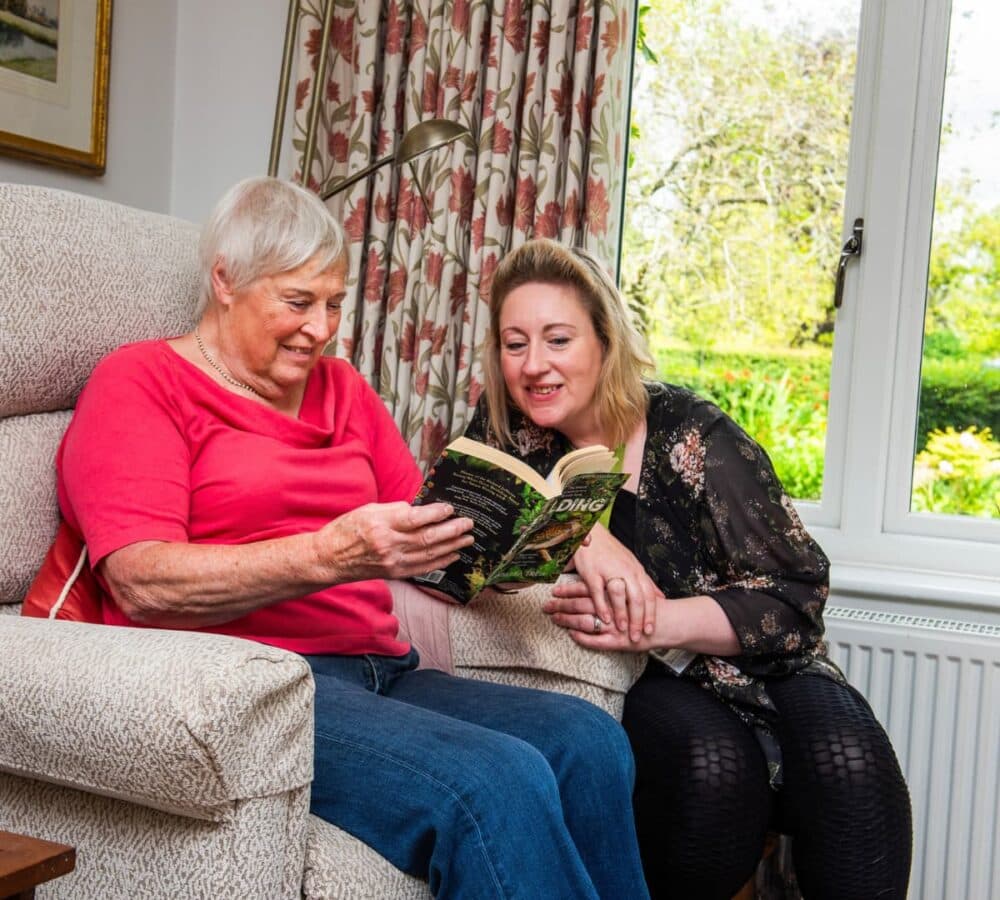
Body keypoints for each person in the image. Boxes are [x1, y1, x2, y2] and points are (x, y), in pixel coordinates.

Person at [55, 179, 650, 900]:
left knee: (590, 743)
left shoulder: (342, 388)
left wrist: (524, 547)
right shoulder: (142, 381)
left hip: (380, 667)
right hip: (258, 686)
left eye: (335, 303)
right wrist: (332, 554)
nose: (322, 328)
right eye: (298, 301)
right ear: (224, 281)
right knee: (495, 781)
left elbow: (422, 528)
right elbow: (141, 581)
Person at [463, 238, 913, 900]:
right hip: (637, 673)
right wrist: (586, 539)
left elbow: (794, 600)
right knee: (715, 774)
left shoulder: (693, 433)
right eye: (514, 344)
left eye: (558, 339)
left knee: (853, 767)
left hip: (747, 653)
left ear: (604, 341)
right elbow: (452, 528)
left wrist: (655, 619)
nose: (534, 365)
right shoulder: (510, 434)